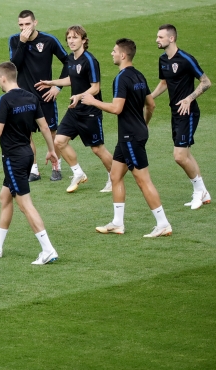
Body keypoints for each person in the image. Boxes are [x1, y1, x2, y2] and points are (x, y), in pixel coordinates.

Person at [83, 39, 172, 237]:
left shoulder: (121, 78)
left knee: (143, 181)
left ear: (123, 55)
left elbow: (116, 108)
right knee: (115, 176)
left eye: (114, 51)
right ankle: (117, 223)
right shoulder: (139, 75)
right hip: (131, 135)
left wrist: (93, 101)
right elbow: (151, 105)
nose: (111, 53)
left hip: (131, 136)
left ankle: (163, 223)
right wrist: (144, 124)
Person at [0, 62, 60, 265]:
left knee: (25, 205)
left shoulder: (5, 100)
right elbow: (44, 127)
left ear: (3, 78)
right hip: (27, 155)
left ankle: (48, 249)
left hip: (13, 159)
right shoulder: (31, 97)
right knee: (5, 197)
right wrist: (51, 150)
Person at [35, 25, 114, 194]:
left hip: (90, 111)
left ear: (84, 40)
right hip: (75, 110)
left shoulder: (90, 60)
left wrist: (80, 96)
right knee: (59, 141)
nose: (71, 41)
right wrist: (52, 82)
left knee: (97, 148)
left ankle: (114, 178)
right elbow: (72, 79)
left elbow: (95, 87)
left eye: (75, 37)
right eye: (69, 38)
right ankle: (78, 173)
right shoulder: (71, 58)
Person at [151, 24, 211, 210]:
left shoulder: (186, 59)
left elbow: (206, 82)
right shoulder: (162, 60)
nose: (157, 40)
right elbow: (164, 83)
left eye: (160, 37)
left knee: (179, 156)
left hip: (188, 112)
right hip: (175, 113)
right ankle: (203, 193)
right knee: (185, 154)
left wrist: (189, 98)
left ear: (171, 38)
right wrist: (149, 98)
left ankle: (198, 191)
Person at [8, 10, 67, 181]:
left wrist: (57, 86)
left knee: (51, 132)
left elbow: (67, 61)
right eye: (21, 25)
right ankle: (34, 169)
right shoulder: (15, 40)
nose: (24, 28)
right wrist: (22, 43)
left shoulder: (49, 40)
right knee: (26, 134)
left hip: (46, 96)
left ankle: (57, 167)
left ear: (35, 23)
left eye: (27, 24)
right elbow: (14, 66)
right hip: (23, 97)